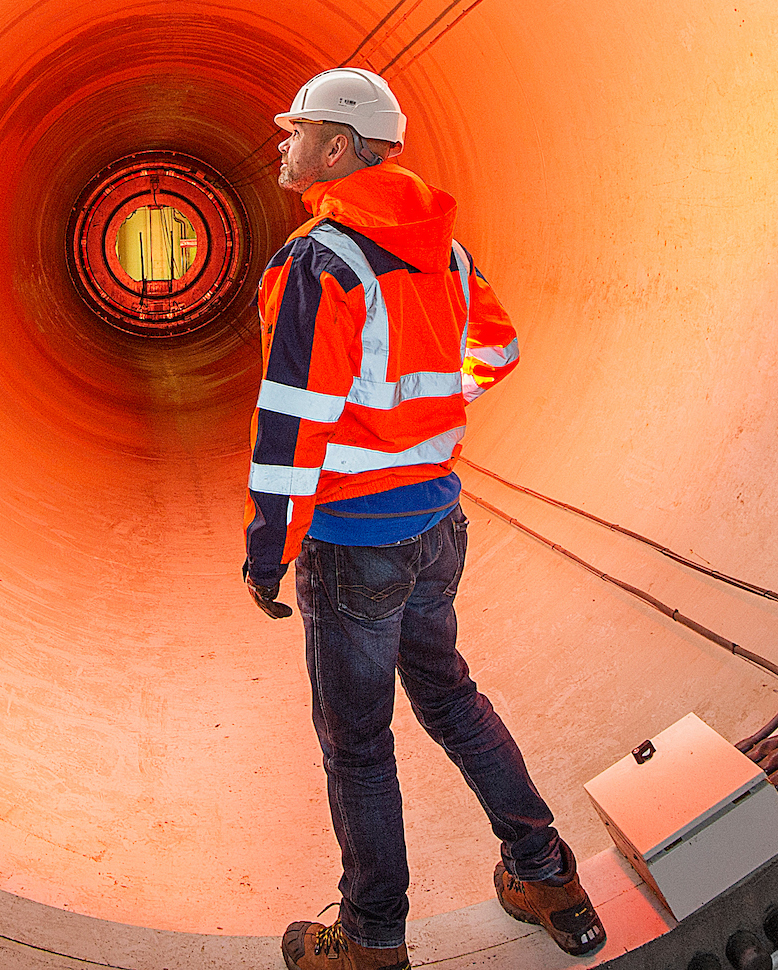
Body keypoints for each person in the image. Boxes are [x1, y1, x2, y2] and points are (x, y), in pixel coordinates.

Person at [241, 68, 606, 970]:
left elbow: (291, 423)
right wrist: (424, 424)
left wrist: (268, 551)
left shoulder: (317, 263)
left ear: (336, 148)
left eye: (298, 132)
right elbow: (499, 349)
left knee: (359, 745)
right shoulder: (445, 252)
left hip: (355, 540)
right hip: (438, 525)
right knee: (450, 697)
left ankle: (370, 940)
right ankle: (548, 875)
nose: (284, 145)